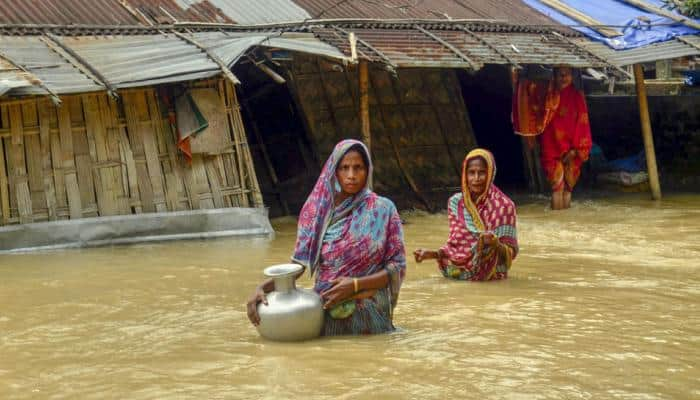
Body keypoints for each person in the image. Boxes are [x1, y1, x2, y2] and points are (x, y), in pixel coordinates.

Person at [246, 139, 406, 335]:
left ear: (368, 170)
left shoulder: (384, 209)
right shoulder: (315, 211)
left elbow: (396, 267)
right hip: (326, 313)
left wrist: (355, 285)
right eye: (344, 168)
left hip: (372, 318)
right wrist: (261, 288)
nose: (351, 175)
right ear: (334, 171)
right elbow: (298, 267)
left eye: (358, 168)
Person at [413, 149, 518, 281]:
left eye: (482, 173)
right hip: (457, 274)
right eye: (471, 173)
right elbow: (455, 246)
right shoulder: (456, 203)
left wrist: (494, 243)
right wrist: (432, 254)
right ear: (464, 175)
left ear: (491, 173)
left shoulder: (505, 206)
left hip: (492, 279)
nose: (476, 179)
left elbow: (511, 254)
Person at [539, 66, 592, 210]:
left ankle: (565, 225)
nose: (563, 77)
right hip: (551, 147)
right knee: (557, 187)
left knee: (568, 189)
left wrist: (576, 150)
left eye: (567, 75)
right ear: (555, 77)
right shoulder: (549, 96)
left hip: (573, 147)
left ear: (572, 76)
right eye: (560, 75)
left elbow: (583, 123)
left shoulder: (577, 96)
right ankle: (557, 225)